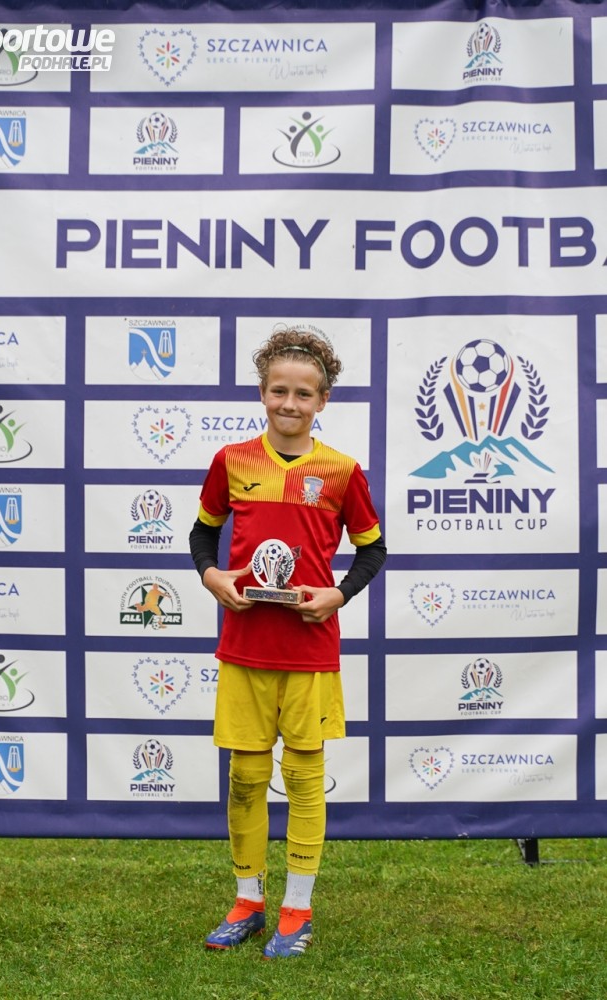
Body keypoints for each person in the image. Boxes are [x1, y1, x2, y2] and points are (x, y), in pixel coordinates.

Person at [189, 325, 386, 959]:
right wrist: (213, 576)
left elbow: (372, 549)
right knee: (246, 778)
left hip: (309, 651)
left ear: (323, 400)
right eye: (279, 391)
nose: (290, 404)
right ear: (262, 392)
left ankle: (296, 912)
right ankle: (248, 902)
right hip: (245, 646)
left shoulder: (341, 471)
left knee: (303, 776)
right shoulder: (232, 461)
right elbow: (202, 535)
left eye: (304, 394)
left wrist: (338, 594)